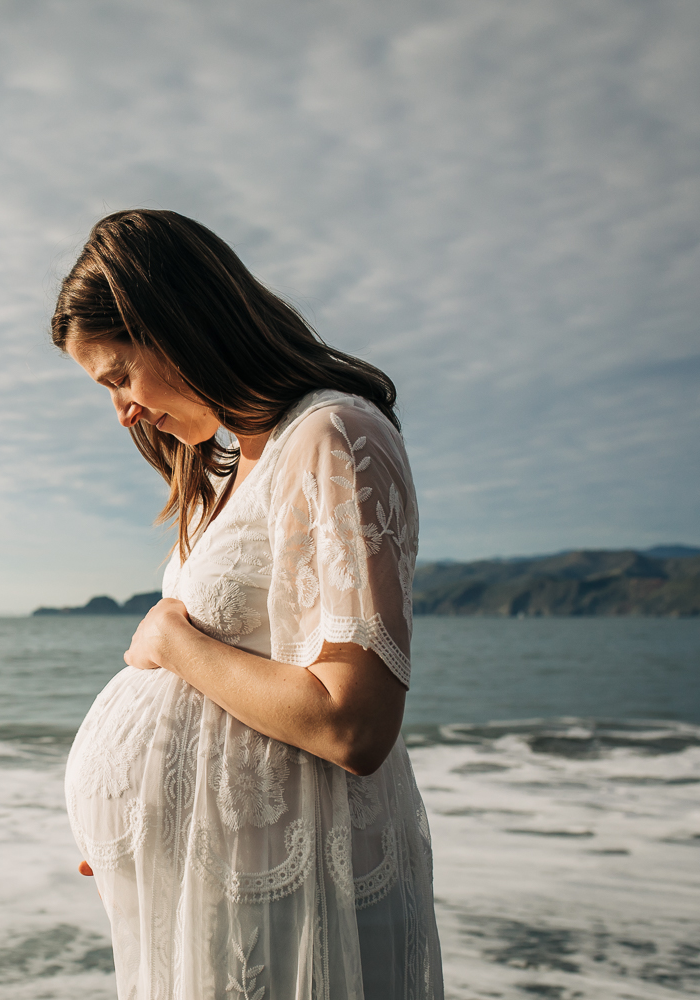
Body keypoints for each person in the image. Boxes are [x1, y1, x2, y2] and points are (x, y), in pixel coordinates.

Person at [55, 210, 443, 1000]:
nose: (123, 411)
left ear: (176, 325)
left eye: (119, 375)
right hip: (221, 893)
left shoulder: (335, 433)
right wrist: (137, 830)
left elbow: (353, 722)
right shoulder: (233, 471)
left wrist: (171, 639)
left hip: (301, 907)